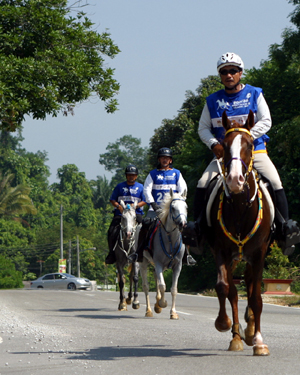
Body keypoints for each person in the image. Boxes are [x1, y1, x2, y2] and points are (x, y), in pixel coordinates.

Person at [194, 52, 300, 255]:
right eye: (224, 72)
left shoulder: (254, 94)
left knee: (275, 182)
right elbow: (203, 129)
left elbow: (266, 121)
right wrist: (214, 144)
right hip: (223, 155)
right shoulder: (212, 101)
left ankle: (285, 230)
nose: (228, 75)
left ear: (240, 73)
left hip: (254, 151)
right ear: (221, 76)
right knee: (202, 182)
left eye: (233, 71)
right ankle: (197, 231)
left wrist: (246, 137)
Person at [128, 147, 197, 265]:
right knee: (145, 225)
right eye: (162, 158)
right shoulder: (153, 174)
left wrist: (177, 202)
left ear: (170, 160)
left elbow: (183, 189)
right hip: (155, 209)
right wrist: (153, 204)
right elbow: (147, 190)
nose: (165, 160)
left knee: (184, 226)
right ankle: (138, 253)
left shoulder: (176, 173)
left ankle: (187, 255)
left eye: (167, 158)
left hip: (172, 210)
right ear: (159, 160)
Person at [105, 164, 146, 265]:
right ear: (126, 176)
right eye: (129, 175)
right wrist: (118, 206)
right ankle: (112, 253)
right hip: (121, 214)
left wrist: (135, 206)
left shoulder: (140, 187)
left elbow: (145, 201)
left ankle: (144, 252)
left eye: (133, 175)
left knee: (146, 229)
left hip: (136, 214)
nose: (131, 177)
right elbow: (112, 199)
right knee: (111, 230)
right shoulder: (120, 186)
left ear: (136, 176)